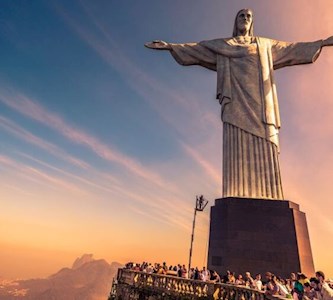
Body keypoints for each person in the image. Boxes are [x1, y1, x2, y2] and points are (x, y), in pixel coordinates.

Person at [145, 9, 333, 200]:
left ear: (252, 22)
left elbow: (292, 49)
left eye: (248, 16)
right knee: (236, 144)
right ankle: (237, 191)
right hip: (235, 101)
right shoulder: (223, 45)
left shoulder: (266, 45)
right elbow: (198, 49)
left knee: (266, 142)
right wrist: (170, 47)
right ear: (236, 21)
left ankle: (270, 195)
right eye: (241, 16)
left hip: (261, 105)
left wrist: (322, 43)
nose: (245, 18)